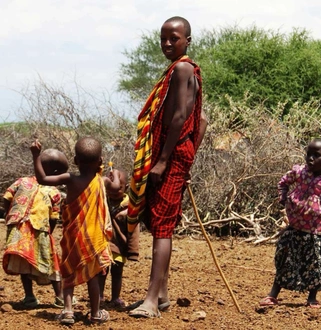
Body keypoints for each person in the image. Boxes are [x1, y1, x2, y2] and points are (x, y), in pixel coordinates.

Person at [127, 16, 207, 318]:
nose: (167, 44)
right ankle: (160, 295)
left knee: (162, 226)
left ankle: (150, 301)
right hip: (173, 155)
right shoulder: (181, 71)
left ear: (188, 39)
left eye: (174, 38)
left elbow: (180, 118)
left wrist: (164, 161)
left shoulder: (184, 69)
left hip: (168, 157)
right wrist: (187, 157)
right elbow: (201, 122)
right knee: (154, 216)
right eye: (163, 38)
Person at [30, 137, 112, 325]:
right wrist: (113, 175)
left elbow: (42, 179)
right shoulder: (102, 181)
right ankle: (95, 313)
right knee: (93, 275)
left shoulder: (70, 179)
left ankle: (68, 311)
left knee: (68, 271)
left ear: (75, 161)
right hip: (94, 238)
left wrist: (36, 156)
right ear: (100, 161)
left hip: (74, 236)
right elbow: (116, 186)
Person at [260, 139, 321, 308]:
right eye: (308, 154)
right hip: (293, 228)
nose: (310, 159)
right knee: (285, 260)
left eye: (316, 155)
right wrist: (283, 197)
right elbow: (283, 182)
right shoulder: (300, 173)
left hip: (316, 233)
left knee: (315, 264)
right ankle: (273, 295)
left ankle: (311, 298)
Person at [2, 148, 68, 308]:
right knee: (51, 264)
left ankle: (29, 296)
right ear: (55, 172)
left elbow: (7, 197)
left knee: (22, 262)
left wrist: (9, 214)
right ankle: (59, 297)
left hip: (18, 228)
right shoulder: (54, 191)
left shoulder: (21, 182)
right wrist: (49, 232)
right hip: (40, 231)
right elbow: (53, 217)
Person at [99, 168, 139, 309]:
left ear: (126, 188)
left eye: (119, 188)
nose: (114, 191)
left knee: (117, 274)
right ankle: (99, 296)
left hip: (119, 247)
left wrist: (133, 251)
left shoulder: (129, 209)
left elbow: (134, 230)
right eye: (110, 188)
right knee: (101, 273)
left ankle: (115, 297)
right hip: (103, 246)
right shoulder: (103, 202)